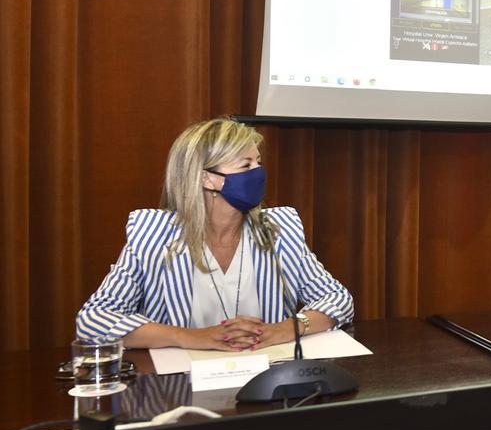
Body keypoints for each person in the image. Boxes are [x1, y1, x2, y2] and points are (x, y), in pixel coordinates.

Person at [76, 118, 354, 351]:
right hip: (180, 389)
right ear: (206, 178)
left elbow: (339, 299)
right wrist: (191, 337)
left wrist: (285, 330)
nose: (258, 173)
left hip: (268, 380)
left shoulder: (279, 228)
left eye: (258, 162)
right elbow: (93, 319)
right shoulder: (153, 233)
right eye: (245, 165)